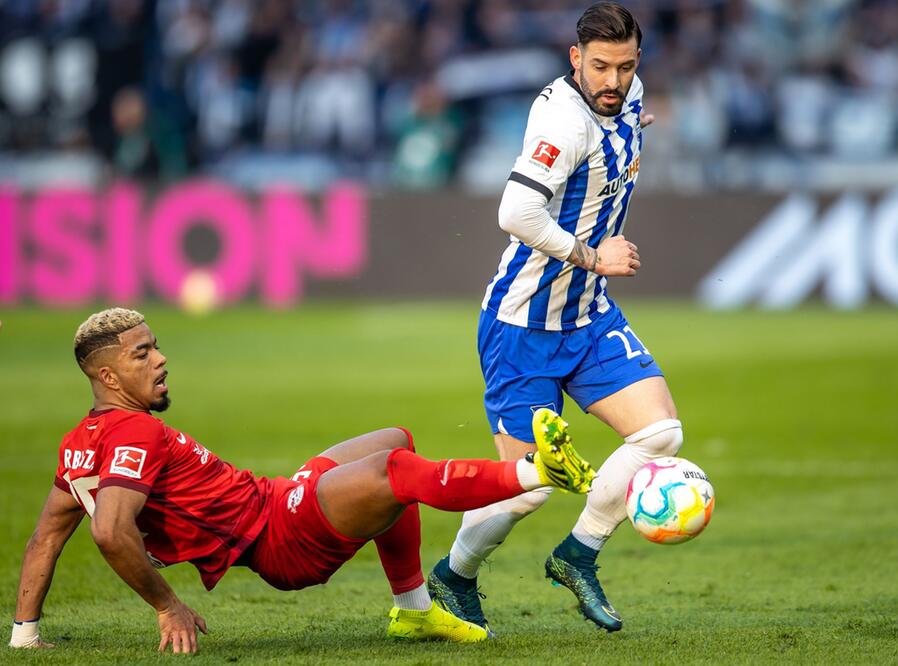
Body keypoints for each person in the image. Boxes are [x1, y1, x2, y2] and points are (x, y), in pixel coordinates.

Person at [9, 308, 595, 654]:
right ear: (108, 375)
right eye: (142, 354)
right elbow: (111, 532)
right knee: (392, 474)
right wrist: (167, 607)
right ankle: (536, 469)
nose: (160, 359)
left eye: (156, 345)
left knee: (394, 439)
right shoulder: (136, 434)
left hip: (273, 499)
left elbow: (45, 539)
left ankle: (413, 608)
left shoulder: (81, 441)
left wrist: (24, 636)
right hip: (280, 539)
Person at [427, 2, 682, 635]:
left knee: (661, 435)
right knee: (528, 489)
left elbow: (624, 118)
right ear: (575, 59)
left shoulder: (626, 94)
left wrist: (635, 121)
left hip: (588, 317)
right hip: (523, 327)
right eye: (599, 67)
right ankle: (454, 575)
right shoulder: (561, 122)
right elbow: (515, 213)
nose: (613, 81)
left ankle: (578, 555)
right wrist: (596, 256)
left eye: (624, 67)